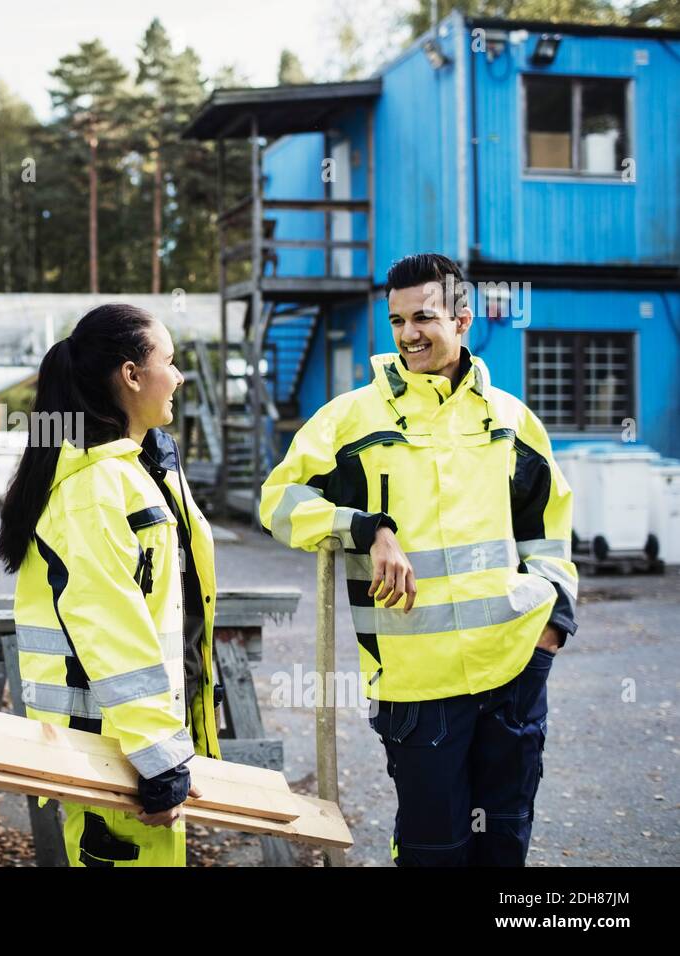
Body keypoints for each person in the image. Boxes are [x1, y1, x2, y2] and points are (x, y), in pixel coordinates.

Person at [259, 253, 578, 866]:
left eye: (424, 318)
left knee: (504, 841)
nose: (409, 334)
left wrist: (552, 625)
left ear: (462, 320)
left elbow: (550, 530)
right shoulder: (351, 419)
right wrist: (366, 527)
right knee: (434, 849)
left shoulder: (510, 421)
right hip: (414, 683)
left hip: (513, 670)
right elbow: (278, 500)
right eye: (398, 320)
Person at [0, 302, 222, 867]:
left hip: (128, 746)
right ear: (131, 374)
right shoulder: (96, 488)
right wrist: (158, 758)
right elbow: (111, 630)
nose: (179, 376)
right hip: (113, 753)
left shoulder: (135, 471)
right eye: (169, 362)